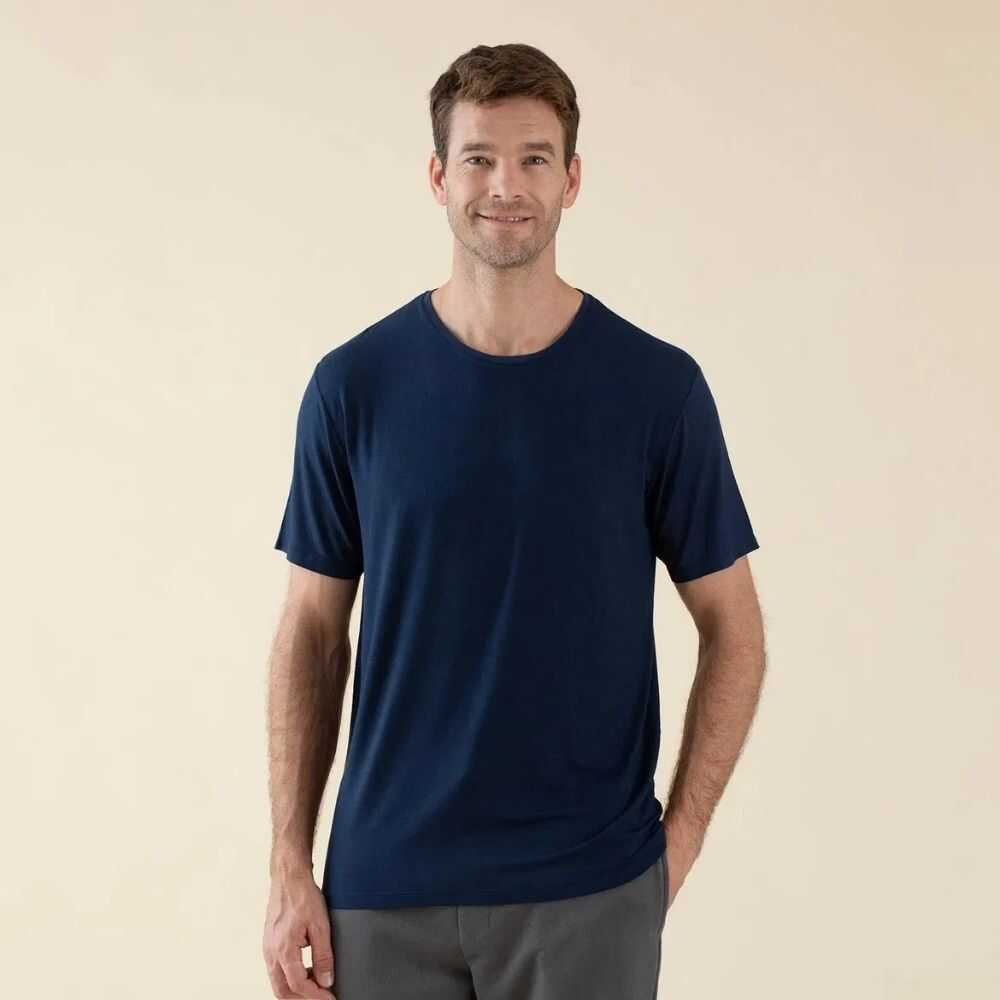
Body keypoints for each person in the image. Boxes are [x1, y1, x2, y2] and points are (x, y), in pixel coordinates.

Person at [262, 41, 766, 1000]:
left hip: (590, 888)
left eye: (535, 157)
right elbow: (312, 632)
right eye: (480, 158)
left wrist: (682, 839)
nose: (506, 185)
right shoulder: (354, 388)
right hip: (385, 890)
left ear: (572, 180)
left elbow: (733, 624)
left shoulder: (655, 389)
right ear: (438, 177)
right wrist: (290, 864)